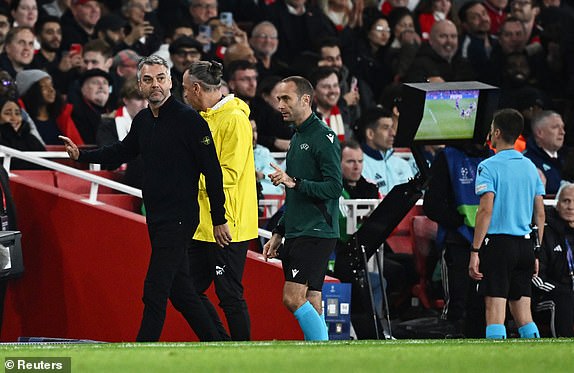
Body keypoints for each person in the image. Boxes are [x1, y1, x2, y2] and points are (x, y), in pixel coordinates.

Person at [59, 55, 230, 342]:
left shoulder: (190, 120)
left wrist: (219, 219)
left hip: (180, 217)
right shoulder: (142, 121)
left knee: (155, 288)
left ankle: (141, 350)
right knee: (180, 291)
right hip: (156, 215)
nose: (155, 85)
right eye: (148, 79)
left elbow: (212, 173)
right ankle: (221, 344)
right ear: (139, 85)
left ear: (171, 81)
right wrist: (81, 155)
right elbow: (119, 152)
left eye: (160, 78)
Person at [182, 60, 258, 341]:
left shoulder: (235, 120)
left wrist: (187, 180)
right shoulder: (203, 118)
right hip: (202, 223)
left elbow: (230, 174)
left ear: (198, 88)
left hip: (227, 223)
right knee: (186, 288)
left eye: (186, 89)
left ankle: (240, 352)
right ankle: (219, 344)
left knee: (228, 293)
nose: (184, 95)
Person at [263, 75, 342, 341]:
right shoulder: (297, 137)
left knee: (292, 298)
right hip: (299, 229)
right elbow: (294, 192)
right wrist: (278, 231)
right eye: (278, 99)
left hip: (316, 230)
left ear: (305, 100)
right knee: (312, 298)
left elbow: (334, 188)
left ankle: (326, 356)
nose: (280, 105)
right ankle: (322, 359)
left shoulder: (323, 137)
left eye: (286, 98)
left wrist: (295, 182)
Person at [469, 108, 545, 339]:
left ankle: (497, 363)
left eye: (491, 130)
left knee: (495, 310)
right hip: (524, 246)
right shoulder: (530, 166)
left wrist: (475, 250)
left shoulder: (488, 166)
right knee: (523, 313)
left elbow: (486, 209)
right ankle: (538, 361)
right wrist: (537, 250)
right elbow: (540, 213)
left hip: (499, 244)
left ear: (497, 132)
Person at [423, 143, 493, 337]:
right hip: (457, 241)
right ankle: (451, 349)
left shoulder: (492, 156)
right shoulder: (447, 157)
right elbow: (432, 204)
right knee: (457, 302)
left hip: (488, 240)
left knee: (481, 303)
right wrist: (458, 222)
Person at [532, 182, 574, 337]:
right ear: (557, 204)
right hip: (545, 296)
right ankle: (565, 344)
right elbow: (536, 276)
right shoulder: (545, 232)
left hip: (569, 291)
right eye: (566, 201)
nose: (570, 207)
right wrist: (564, 290)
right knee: (564, 297)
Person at [523, 110, 566, 195]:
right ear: (539, 133)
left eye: (563, 127)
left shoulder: (567, 160)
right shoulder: (526, 162)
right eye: (555, 127)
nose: (562, 132)